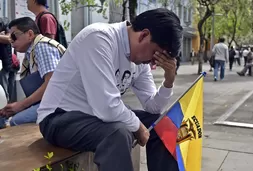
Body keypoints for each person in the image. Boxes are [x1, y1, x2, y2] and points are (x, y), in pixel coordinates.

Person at [37, 8, 182, 171]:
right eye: (155, 54)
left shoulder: (140, 62)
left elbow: (154, 108)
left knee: (162, 123)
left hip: (94, 115)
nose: (153, 63)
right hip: (59, 117)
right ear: (143, 35)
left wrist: (169, 81)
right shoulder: (98, 38)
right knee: (118, 134)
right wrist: (138, 125)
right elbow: (106, 107)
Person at [0, 17, 64, 126]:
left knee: (17, 121)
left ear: (30, 34)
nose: (11, 41)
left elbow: (51, 84)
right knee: (6, 117)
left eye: (14, 36)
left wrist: (21, 105)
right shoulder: (32, 50)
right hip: (51, 99)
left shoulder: (42, 46)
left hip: (61, 102)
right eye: (9, 37)